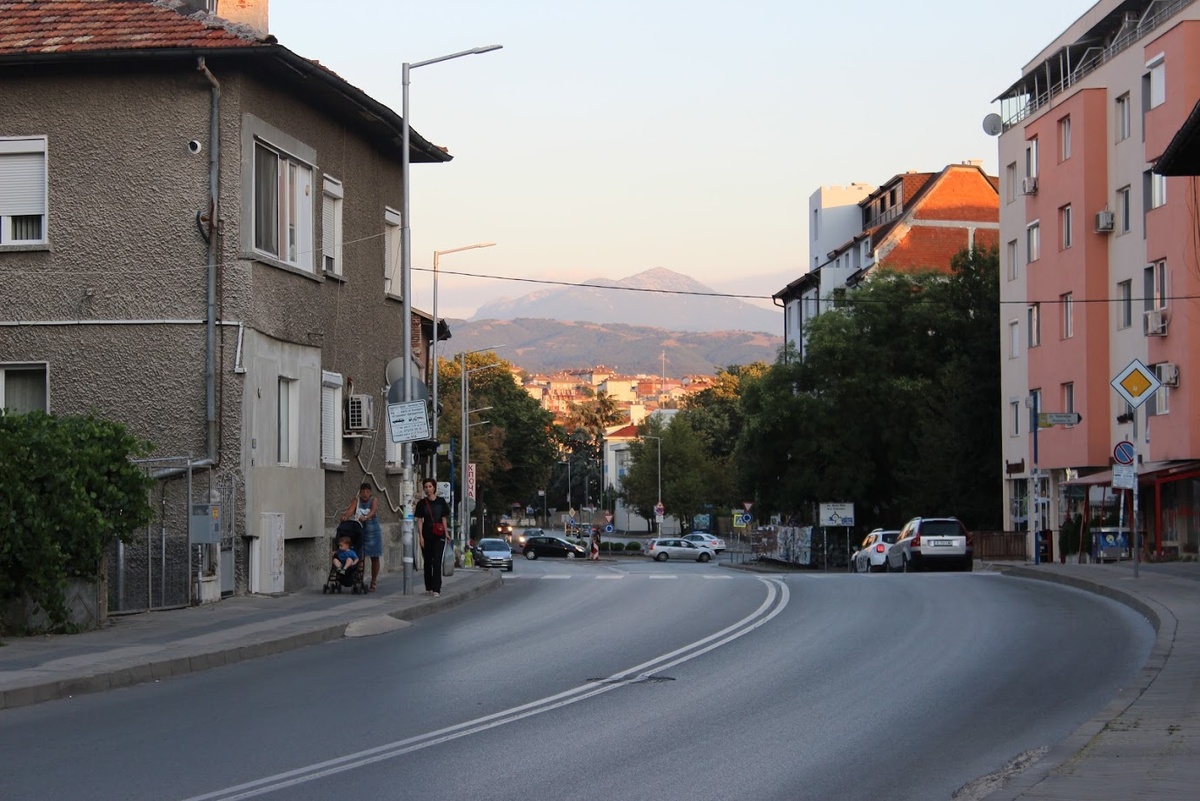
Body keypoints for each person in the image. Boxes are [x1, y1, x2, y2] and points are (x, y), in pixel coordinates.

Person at [413, 477, 451, 596]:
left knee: (437, 562)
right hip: (427, 534)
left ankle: (436, 589)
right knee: (428, 562)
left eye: (430, 486)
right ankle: (428, 586)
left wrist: (446, 533)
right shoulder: (422, 504)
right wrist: (421, 537)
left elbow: (444, 518)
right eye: (426, 487)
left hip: (439, 535)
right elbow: (419, 520)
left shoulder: (441, 502)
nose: (428, 489)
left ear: (434, 487)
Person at [342, 483, 381, 591]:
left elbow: (373, 511)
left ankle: (373, 581)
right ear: (360, 492)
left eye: (367, 491)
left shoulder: (373, 500)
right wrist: (346, 516)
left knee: (375, 556)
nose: (365, 494)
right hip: (359, 531)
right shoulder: (356, 500)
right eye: (363, 491)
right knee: (360, 556)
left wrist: (366, 517)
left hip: (373, 532)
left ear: (370, 492)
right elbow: (350, 510)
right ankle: (359, 579)